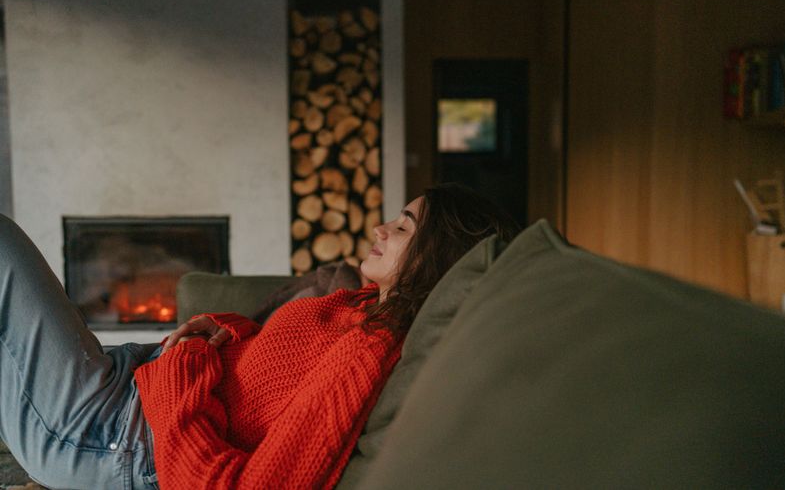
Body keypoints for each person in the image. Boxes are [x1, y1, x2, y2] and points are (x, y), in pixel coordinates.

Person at [0, 183, 520, 489]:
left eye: (404, 228)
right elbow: (275, 360)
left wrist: (182, 375)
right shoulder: (361, 305)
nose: (381, 229)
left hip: (110, 435)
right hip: (126, 387)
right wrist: (226, 328)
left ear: (436, 256)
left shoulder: (369, 352)